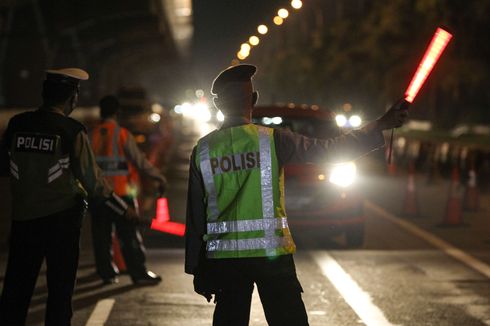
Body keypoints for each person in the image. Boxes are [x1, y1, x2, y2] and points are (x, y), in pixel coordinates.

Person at [185, 64, 409, 326]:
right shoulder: (271, 140)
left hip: (225, 261)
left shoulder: (203, 150)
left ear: (218, 105)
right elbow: (329, 150)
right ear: (253, 101)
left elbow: (195, 217)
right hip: (272, 257)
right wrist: (379, 125)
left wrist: (198, 269)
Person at [0, 68, 138, 325]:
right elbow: (94, 182)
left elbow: (4, 166)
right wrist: (123, 209)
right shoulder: (71, 130)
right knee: (60, 295)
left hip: (23, 221)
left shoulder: (18, 124)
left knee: (15, 293)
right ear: (71, 98)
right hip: (61, 224)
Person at [89, 95, 167, 285]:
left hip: (99, 195)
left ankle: (106, 273)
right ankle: (138, 273)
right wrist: (159, 177)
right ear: (117, 112)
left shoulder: (91, 134)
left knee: (101, 236)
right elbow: (140, 162)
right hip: (122, 195)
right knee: (129, 235)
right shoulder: (122, 134)